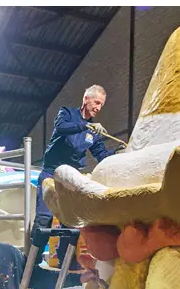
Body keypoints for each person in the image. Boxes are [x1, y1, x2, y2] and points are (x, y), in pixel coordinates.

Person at [33, 85, 124, 268]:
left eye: (101, 105)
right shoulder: (66, 113)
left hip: (71, 178)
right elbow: (61, 128)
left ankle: (65, 263)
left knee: (70, 221)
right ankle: (33, 262)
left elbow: (101, 156)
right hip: (51, 173)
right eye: (97, 102)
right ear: (86, 99)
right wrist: (85, 125)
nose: (98, 108)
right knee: (44, 218)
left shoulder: (94, 132)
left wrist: (119, 154)